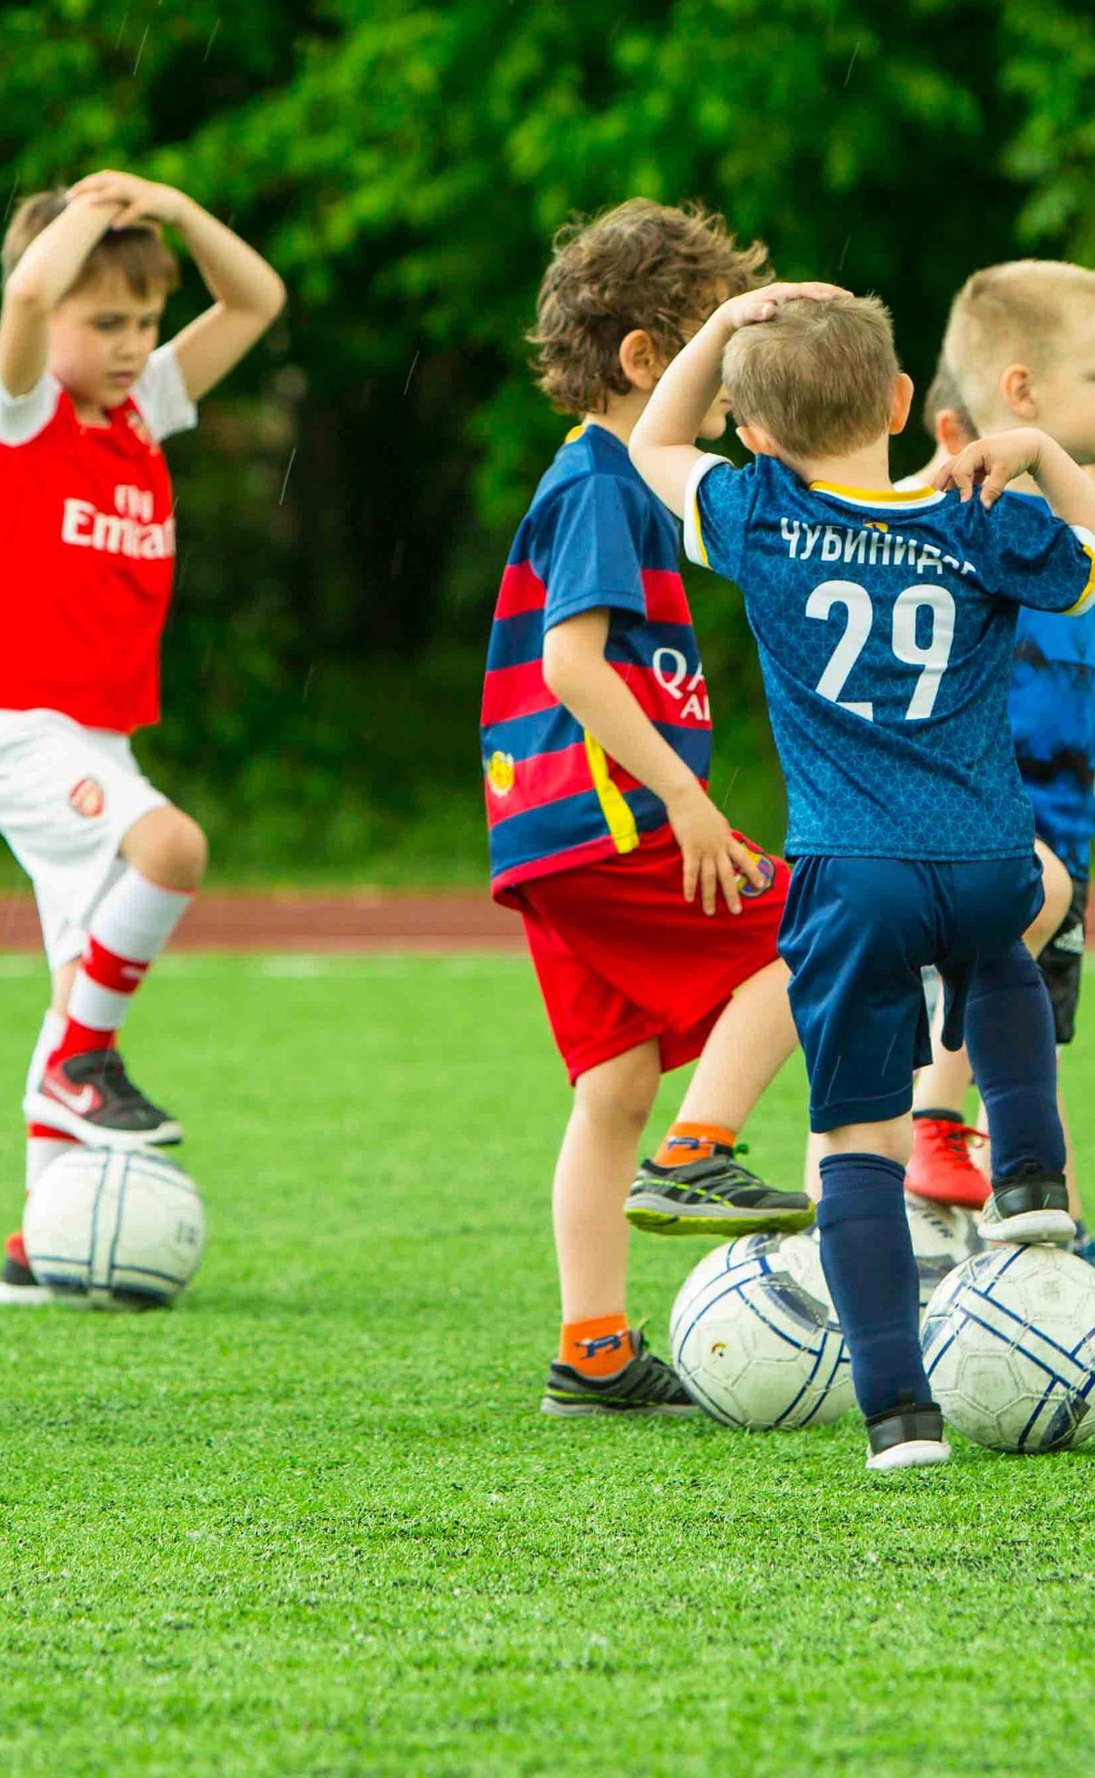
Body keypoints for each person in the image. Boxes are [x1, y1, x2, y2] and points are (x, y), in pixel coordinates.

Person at [632, 284, 1095, 1474]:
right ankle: (1029, 1175)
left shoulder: (756, 511)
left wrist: (719, 330)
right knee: (1001, 952)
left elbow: (655, 439)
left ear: (750, 431)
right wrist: (1037, 461)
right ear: (906, 401)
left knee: (856, 1140)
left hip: (850, 871)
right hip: (979, 852)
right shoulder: (973, 514)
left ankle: (898, 1418)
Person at [486, 201, 815, 1422]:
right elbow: (573, 666)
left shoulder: (613, 481)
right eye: (711, 353)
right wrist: (682, 796)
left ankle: (594, 1347)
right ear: (645, 360)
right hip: (605, 818)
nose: (729, 387)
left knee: (613, 1081)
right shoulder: (603, 484)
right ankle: (701, 1150)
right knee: (819, 920)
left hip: (548, 838)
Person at [0, 171, 284, 1306]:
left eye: (143, 321)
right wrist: (82, 219)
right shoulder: (22, 409)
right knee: (172, 850)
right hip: (17, 725)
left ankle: (35, 1250)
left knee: (72, 970)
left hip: (95, 739)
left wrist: (177, 211)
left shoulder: (144, 411)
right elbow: (35, 284)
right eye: (109, 322)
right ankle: (81, 1066)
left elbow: (257, 302)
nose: (135, 342)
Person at [903, 263, 1095, 1323]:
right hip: (978, 835)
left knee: (1027, 1049)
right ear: (1020, 392)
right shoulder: (948, 520)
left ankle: (1051, 1229)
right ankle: (918, 1187)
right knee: (965, 1020)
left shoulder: (1085, 539)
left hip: (1065, 843)